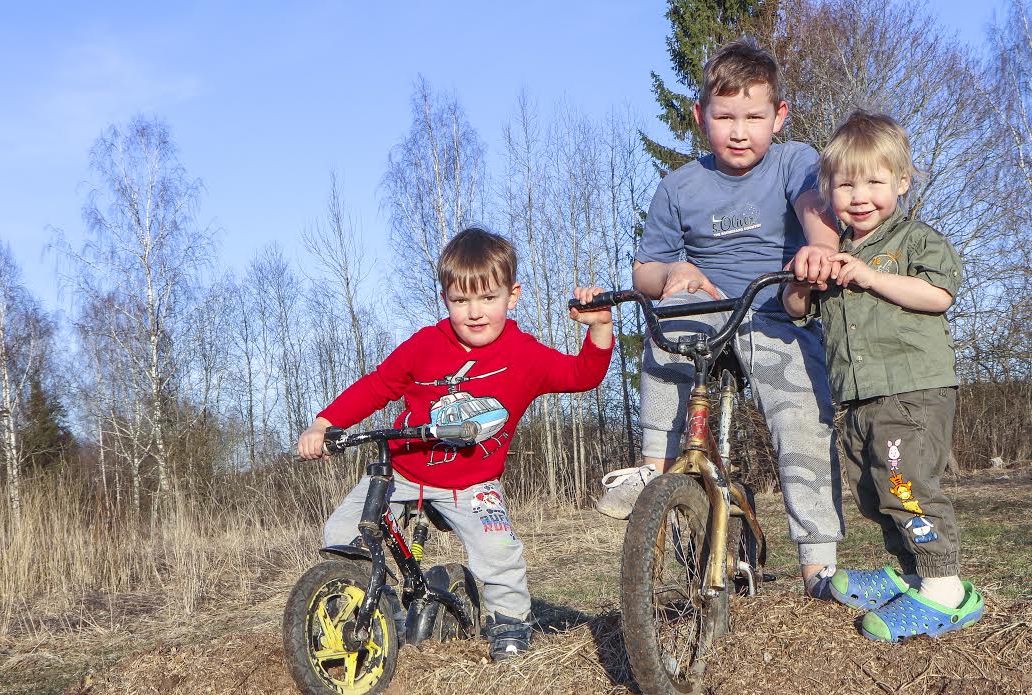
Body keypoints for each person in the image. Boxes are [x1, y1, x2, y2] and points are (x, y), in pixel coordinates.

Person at [595, 38, 845, 598]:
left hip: (775, 309)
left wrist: (818, 249)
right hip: (706, 310)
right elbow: (643, 272)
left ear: (779, 116)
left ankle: (818, 566)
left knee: (801, 416)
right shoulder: (679, 186)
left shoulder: (793, 161)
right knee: (669, 320)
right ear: (699, 115)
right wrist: (672, 275)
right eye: (724, 116)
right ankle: (655, 468)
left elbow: (815, 208)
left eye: (755, 117)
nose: (739, 131)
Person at [297, 227, 614, 660]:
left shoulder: (525, 355)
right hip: (403, 472)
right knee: (341, 530)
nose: (475, 312)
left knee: (498, 552)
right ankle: (368, 607)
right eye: (460, 300)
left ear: (512, 295)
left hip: (473, 483)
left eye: (488, 298)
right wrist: (324, 422)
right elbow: (377, 386)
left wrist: (599, 329)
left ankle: (509, 624)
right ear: (445, 298)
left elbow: (584, 375)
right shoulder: (425, 345)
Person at [783, 110, 983, 640]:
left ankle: (946, 590)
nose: (860, 194)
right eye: (846, 183)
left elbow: (938, 296)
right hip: (859, 399)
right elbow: (796, 308)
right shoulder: (831, 252)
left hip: (912, 391)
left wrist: (872, 277)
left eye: (875, 181)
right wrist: (803, 277)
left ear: (901, 182)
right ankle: (914, 574)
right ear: (828, 190)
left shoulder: (913, 240)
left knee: (906, 483)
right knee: (874, 491)